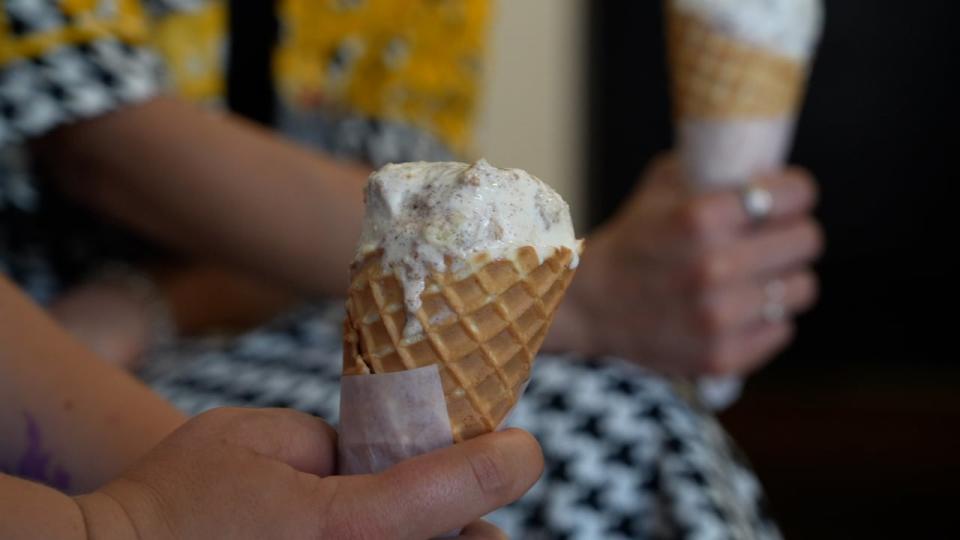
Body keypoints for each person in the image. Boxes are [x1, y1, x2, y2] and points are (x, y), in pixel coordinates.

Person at [1, 1, 821, 537]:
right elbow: (90, 135)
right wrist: (128, 519)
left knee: (637, 413)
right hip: (53, 331)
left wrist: (142, 307)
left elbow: (391, 219)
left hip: (199, 318)